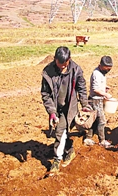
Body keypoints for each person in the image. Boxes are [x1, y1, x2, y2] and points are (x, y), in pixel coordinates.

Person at [41, 46, 90, 176]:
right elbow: (45, 94)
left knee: (60, 130)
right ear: (55, 59)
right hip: (55, 107)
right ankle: (69, 150)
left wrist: (84, 104)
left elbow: (82, 88)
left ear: (69, 59)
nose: (62, 67)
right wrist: (51, 112)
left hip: (70, 106)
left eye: (65, 64)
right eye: (59, 63)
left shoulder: (76, 69)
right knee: (61, 130)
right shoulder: (48, 72)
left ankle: (56, 162)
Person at [83, 55, 113, 148]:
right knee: (102, 121)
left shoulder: (101, 72)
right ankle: (102, 140)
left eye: (109, 69)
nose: (108, 70)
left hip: (97, 99)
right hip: (95, 100)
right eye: (107, 68)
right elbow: (95, 89)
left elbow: (98, 86)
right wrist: (104, 94)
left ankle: (88, 138)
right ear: (101, 65)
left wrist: (104, 88)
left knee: (95, 120)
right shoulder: (96, 74)